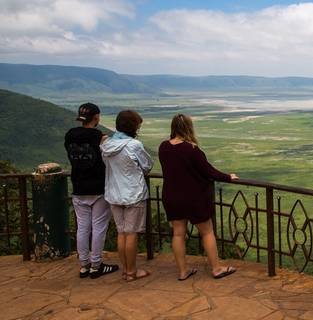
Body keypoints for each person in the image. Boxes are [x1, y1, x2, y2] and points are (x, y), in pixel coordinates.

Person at [158, 114, 238, 281]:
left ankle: (183, 271)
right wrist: (228, 177)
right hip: (193, 198)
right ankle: (216, 268)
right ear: (189, 127)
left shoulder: (163, 147)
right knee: (207, 232)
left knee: (178, 234)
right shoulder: (192, 150)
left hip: (172, 196)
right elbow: (209, 171)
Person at [64, 103, 119, 279]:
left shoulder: (70, 136)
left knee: (82, 228)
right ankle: (96, 265)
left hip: (78, 187)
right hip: (98, 188)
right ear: (96, 118)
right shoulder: (100, 137)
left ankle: (84, 265)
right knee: (99, 227)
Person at [101, 110, 153, 282]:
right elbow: (147, 165)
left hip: (114, 193)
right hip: (133, 193)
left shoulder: (106, 145)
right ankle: (131, 272)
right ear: (133, 126)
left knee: (121, 233)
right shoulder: (134, 145)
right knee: (131, 234)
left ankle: (125, 270)